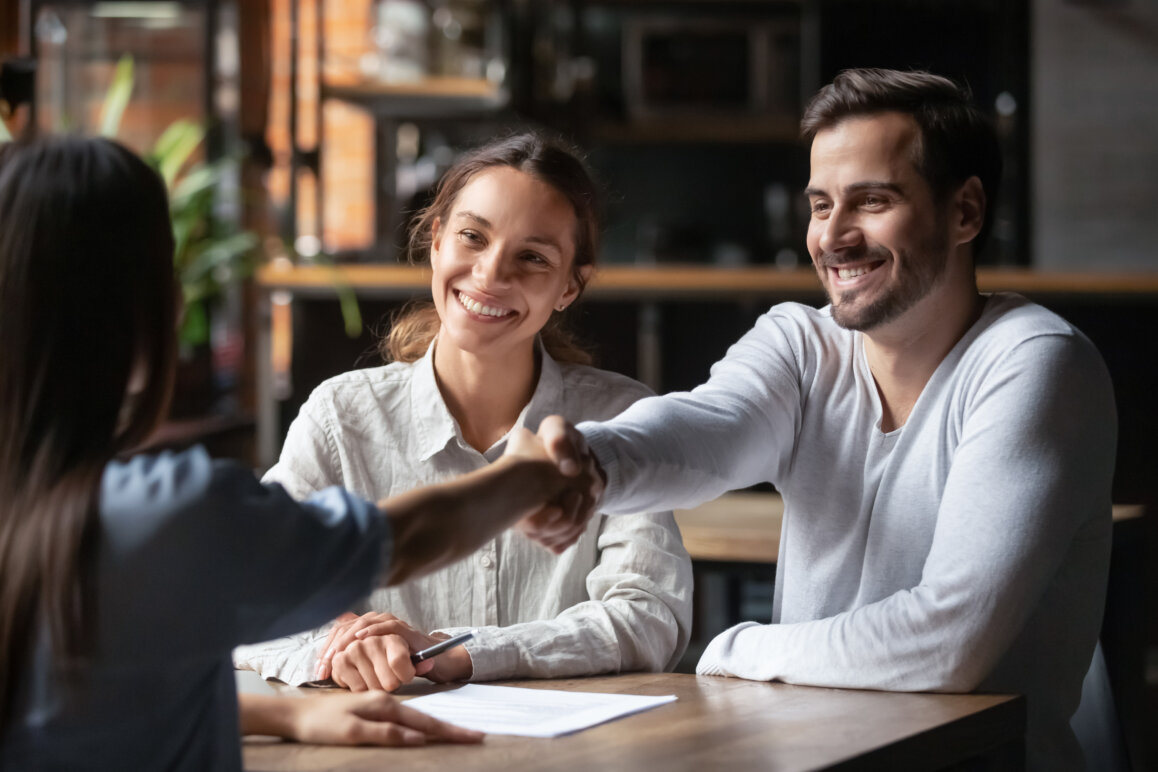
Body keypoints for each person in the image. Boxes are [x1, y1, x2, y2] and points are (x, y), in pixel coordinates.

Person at [534, 68, 1117, 772]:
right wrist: (589, 464)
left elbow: (947, 642)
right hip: (818, 757)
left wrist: (734, 650)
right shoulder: (800, 342)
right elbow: (708, 429)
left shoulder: (1034, 362)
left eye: (872, 201)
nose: (834, 237)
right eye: (820, 205)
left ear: (964, 212)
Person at [0, 135, 599, 771]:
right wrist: (527, 476)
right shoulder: (169, 514)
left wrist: (288, 713)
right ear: (158, 312)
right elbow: (407, 536)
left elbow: (106, 696)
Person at [233, 132, 692, 692]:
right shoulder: (341, 417)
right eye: (472, 237)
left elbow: (649, 617)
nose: (491, 275)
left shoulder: (620, 417)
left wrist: (455, 651)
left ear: (570, 286)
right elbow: (248, 599)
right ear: (435, 240)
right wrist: (339, 642)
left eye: (532, 258)